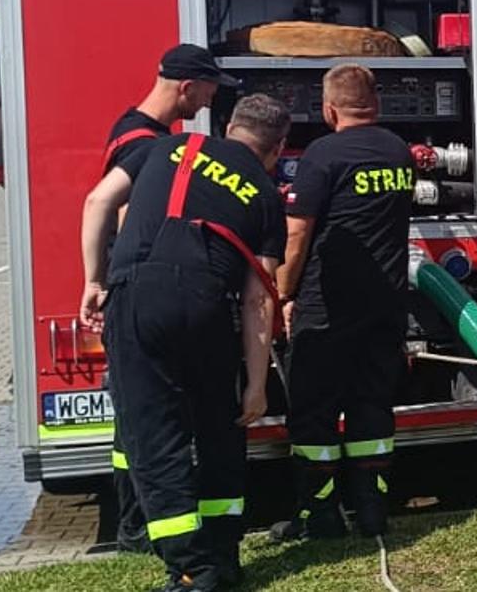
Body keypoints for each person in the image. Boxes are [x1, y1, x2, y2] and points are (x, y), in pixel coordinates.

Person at [79, 95, 289, 592]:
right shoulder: (265, 195)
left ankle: (193, 570)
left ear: (228, 127)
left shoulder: (166, 147)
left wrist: (93, 279)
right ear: (277, 150)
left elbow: (98, 201)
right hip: (209, 307)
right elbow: (260, 299)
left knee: (155, 439)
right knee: (219, 430)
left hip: (138, 299)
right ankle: (223, 555)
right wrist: (256, 386)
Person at [96, 44, 241, 554]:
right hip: (144, 297)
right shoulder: (147, 144)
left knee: (134, 419)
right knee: (153, 423)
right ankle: (139, 528)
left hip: (130, 298)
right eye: (208, 90)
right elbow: (121, 216)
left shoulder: (131, 129)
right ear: (186, 87)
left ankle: (132, 522)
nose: (210, 100)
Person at [269, 64, 416, 542]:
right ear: (376, 104)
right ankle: (372, 513)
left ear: (329, 109)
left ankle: (321, 517)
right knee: (371, 406)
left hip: (326, 307)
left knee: (314, 411)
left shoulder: (322, 155)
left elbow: (297, 231)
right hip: (386, 306)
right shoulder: (398, 152)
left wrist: (282, 293)